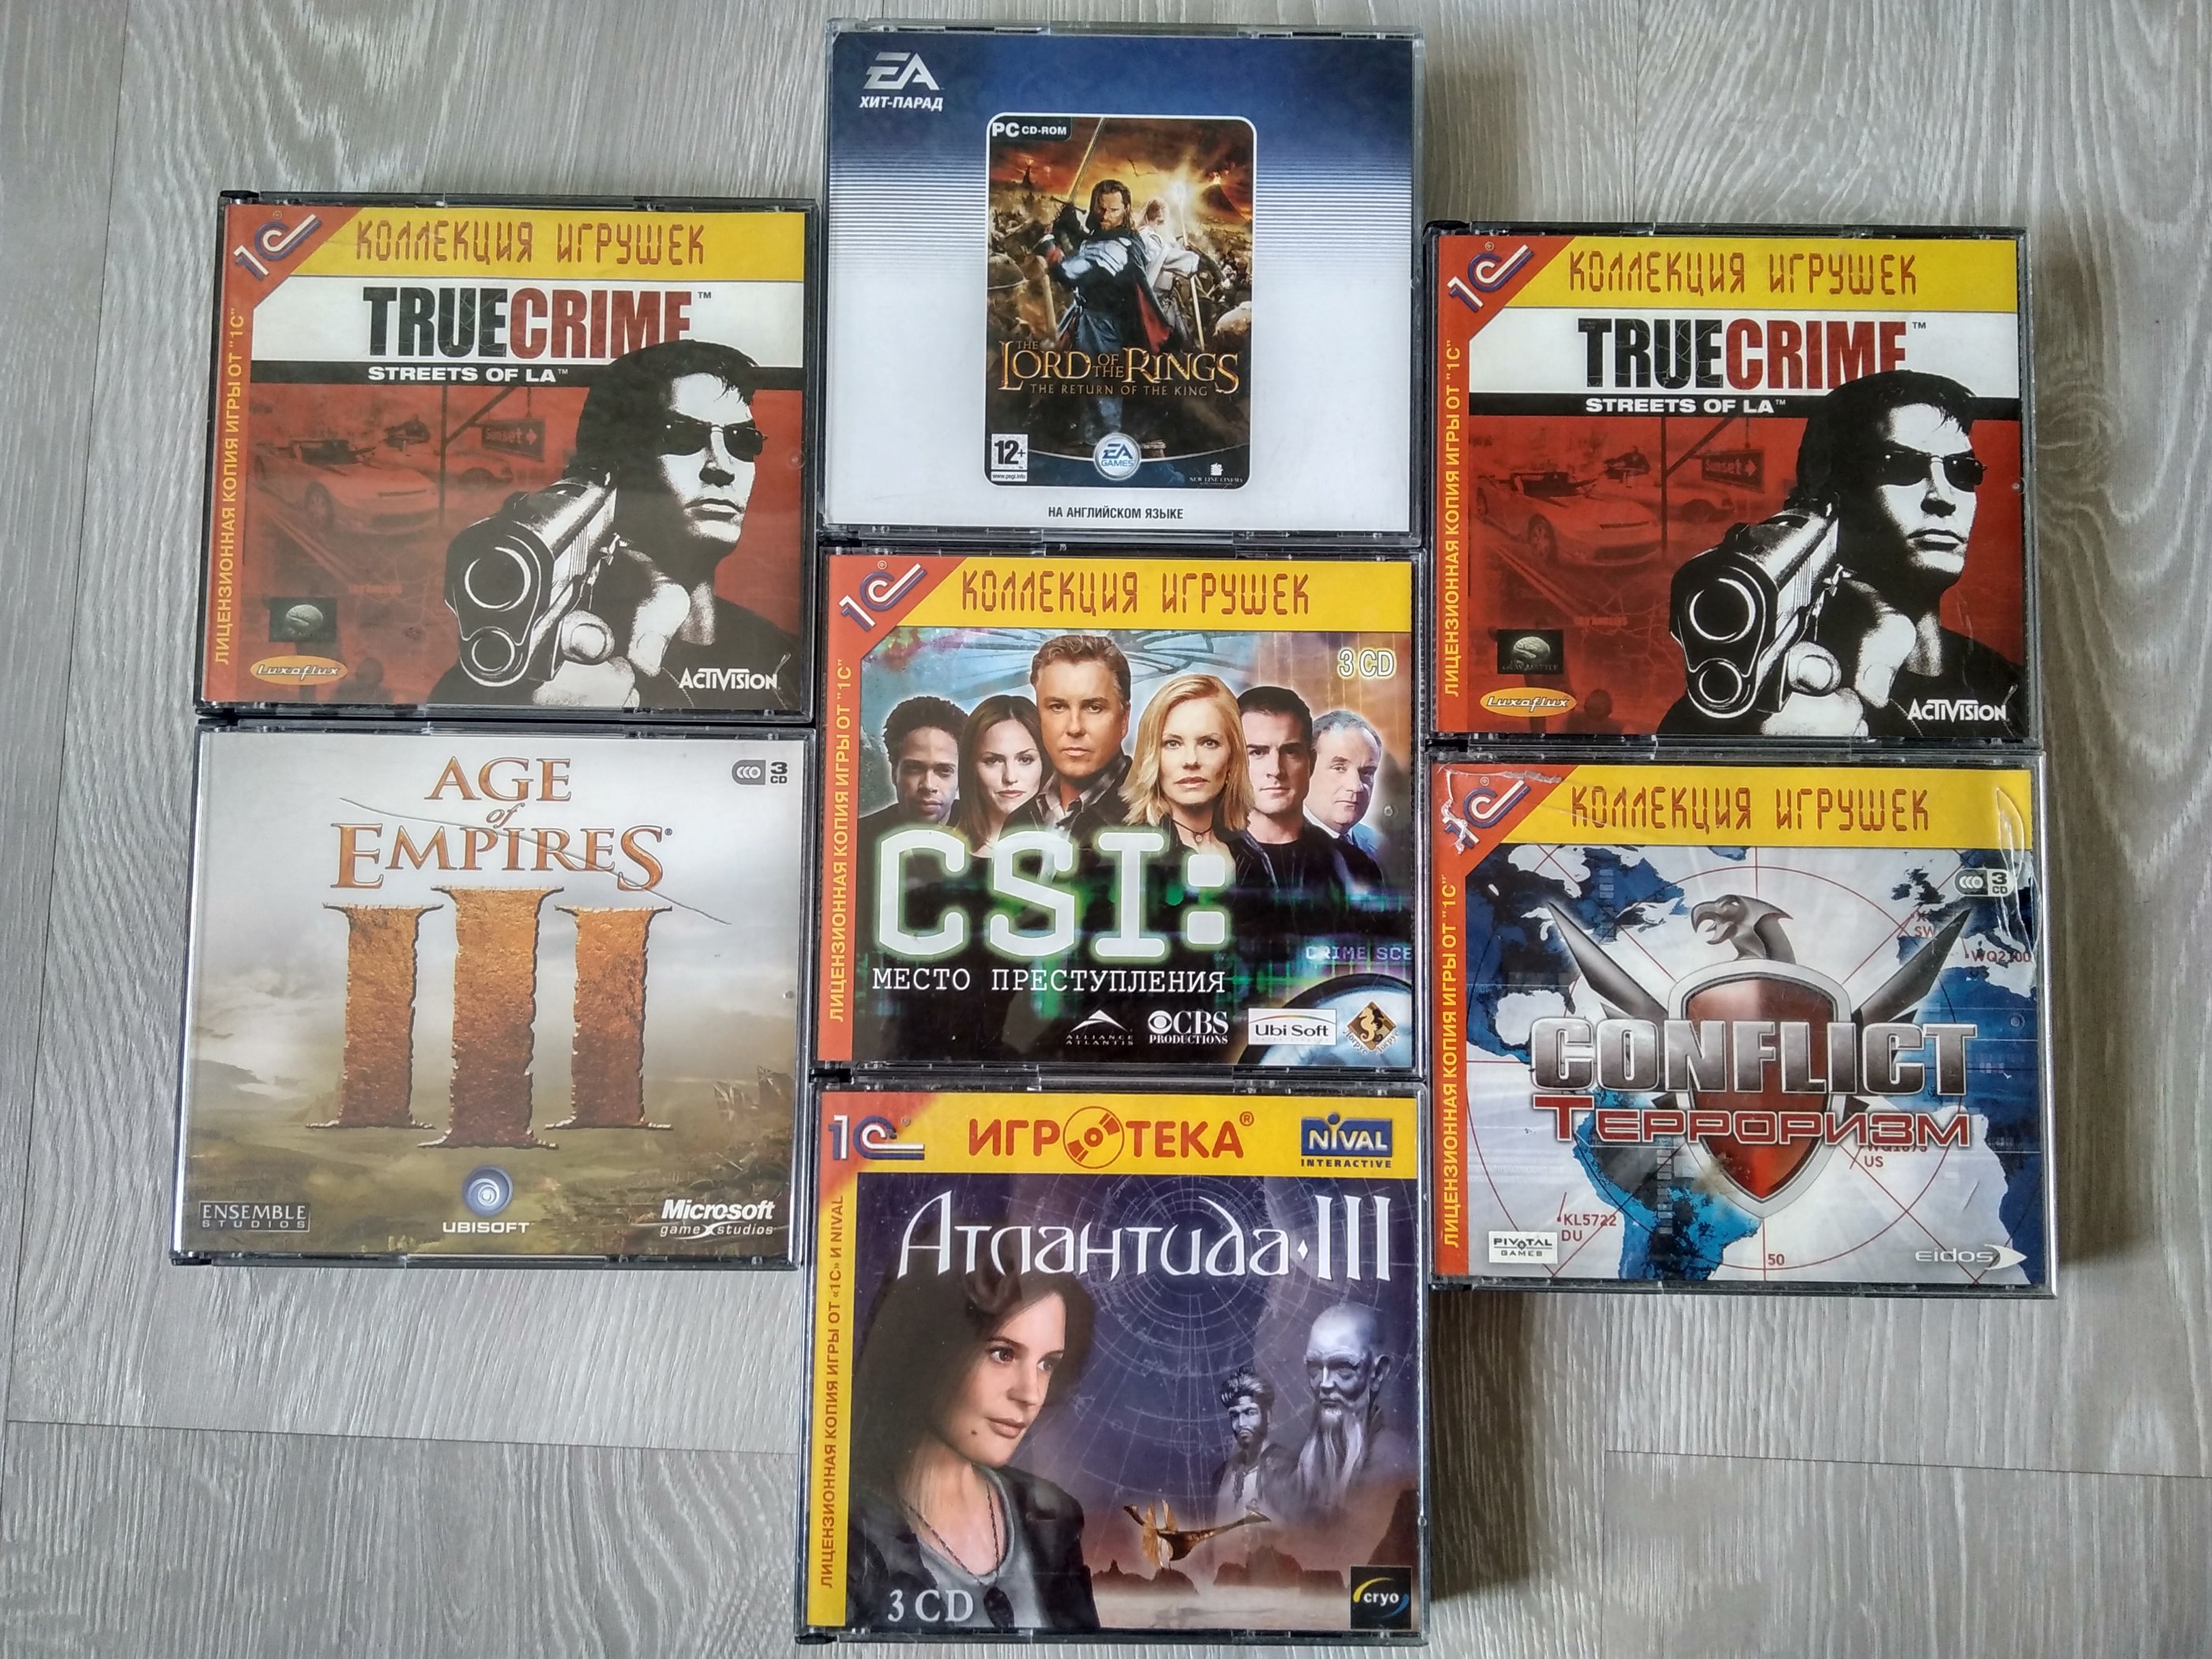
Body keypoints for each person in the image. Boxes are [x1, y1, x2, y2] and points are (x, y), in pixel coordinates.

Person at [437, 337, 800, 711]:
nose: (722, 467)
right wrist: (523, 712)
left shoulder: (788, 656)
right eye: (682, 436)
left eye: (743, 441)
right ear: (613, 468)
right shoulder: (539, 657)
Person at [1661, 369, 2022, 738]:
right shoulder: (1769, 688)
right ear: (1830, 500)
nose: (1943, 497)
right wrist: (1743, 743)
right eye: (1901, 466)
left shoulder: (2007, 683)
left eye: (1963, 471)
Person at [846, 1250, 1100, 1633]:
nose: (1030, 1394)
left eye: (1047, 1364)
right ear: (928, 1346)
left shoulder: (1052, 1519)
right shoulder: (846, 1531)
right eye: (1003, 1354)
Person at [1039, 179, 1172, 442]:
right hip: (1087, 319)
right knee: (1082, 380)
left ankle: (1103, 440)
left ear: (1125, 210)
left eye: (1113, 210)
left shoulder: (1120, 247)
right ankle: (1088, 435)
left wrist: (1047, 244)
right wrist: (1068, 224)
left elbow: (1069, 274)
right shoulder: (1108, 238)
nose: (1105, 216)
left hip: (1103, 325)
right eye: (1100, 209)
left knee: (1101, 383)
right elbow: (1089, 243)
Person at [1288, 1303, 1417, 1564]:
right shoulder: (1304, 1465)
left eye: (1343, 1368)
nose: (1325, 1384)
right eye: (1315, 1368)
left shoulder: (1399, 1467)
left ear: (1377, 1373)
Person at [1237, 686, 1348, 927]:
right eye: (1257, 752)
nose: (1276, 770)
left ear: (1311, 762)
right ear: (1233, 762)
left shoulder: (1352, 865)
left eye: (1290, 752)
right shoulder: (1208, 860)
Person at [1120, 673, 1258, 856]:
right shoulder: (1124, 850)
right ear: (1151, 755)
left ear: (1233, 756)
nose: (1191, 760)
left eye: (1209, 743)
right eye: (1173, 744)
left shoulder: (1251, 856)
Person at [1024, 635, 1134, 842]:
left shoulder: (1157, 814)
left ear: (1124, 719)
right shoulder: (1020, 817)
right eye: (1058, 707)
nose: (1074, 728)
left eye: (1094, 708)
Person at [1307, 710, 1389, 905]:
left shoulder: (1380, 848)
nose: (1356, 786)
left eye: (1367, 772)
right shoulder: (1270, 845)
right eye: (1339, 768)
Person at [954, 695, 1051, 854]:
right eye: (993, 761)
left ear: (1045, 763)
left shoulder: (1072, 847)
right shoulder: (940, 851)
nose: (1010, 778)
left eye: (1025, 760)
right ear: (970, 767)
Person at [1209, 1367, 1295, 1533]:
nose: (1242, 1423)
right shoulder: (1221, 1476)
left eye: (1250, 1413)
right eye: (1234, 1416)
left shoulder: (1288, 1469)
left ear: (1267, 1415)